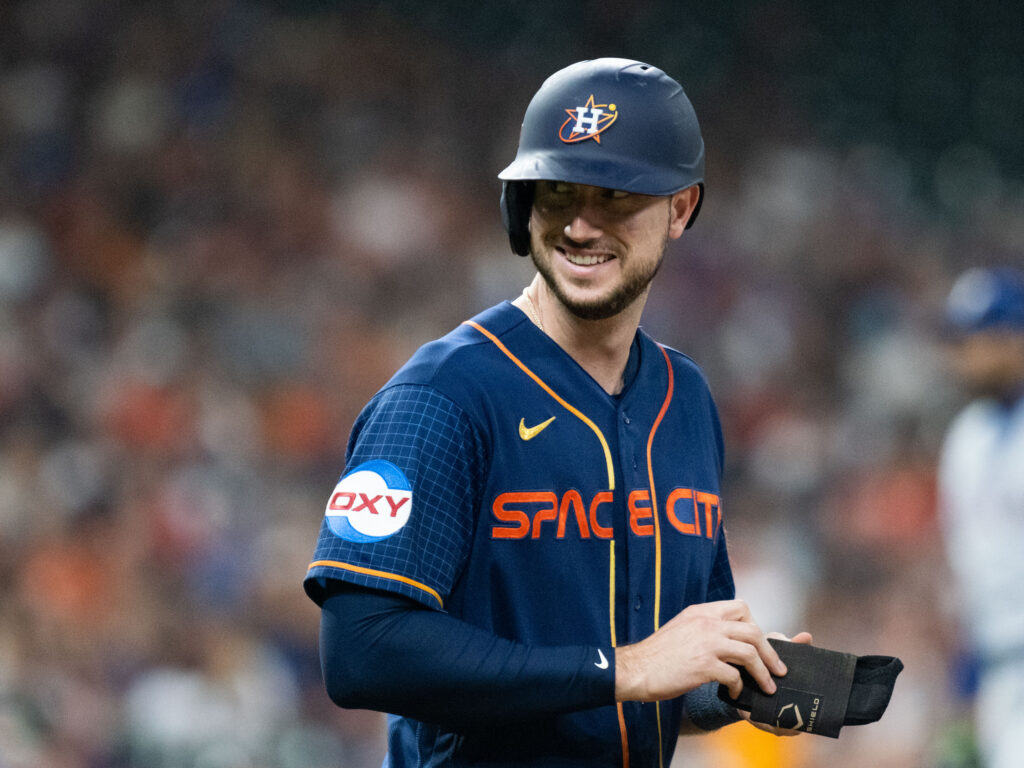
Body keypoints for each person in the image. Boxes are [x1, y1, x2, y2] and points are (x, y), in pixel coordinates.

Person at [304, 58, 810, 767]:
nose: (579, 225)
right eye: (557, 194)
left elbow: (654, 680)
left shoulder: (686, 398)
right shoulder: (443, 396)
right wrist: (627, 668)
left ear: (680, 210)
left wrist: (730, 685)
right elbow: (361, 652)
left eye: (615, 198)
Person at [938, 266, 1024, 768]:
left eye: (982, 338)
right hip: (995, 668)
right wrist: (966, 677)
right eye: (961, 340)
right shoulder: (966, 436)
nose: (966, 355)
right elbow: (968, 567)